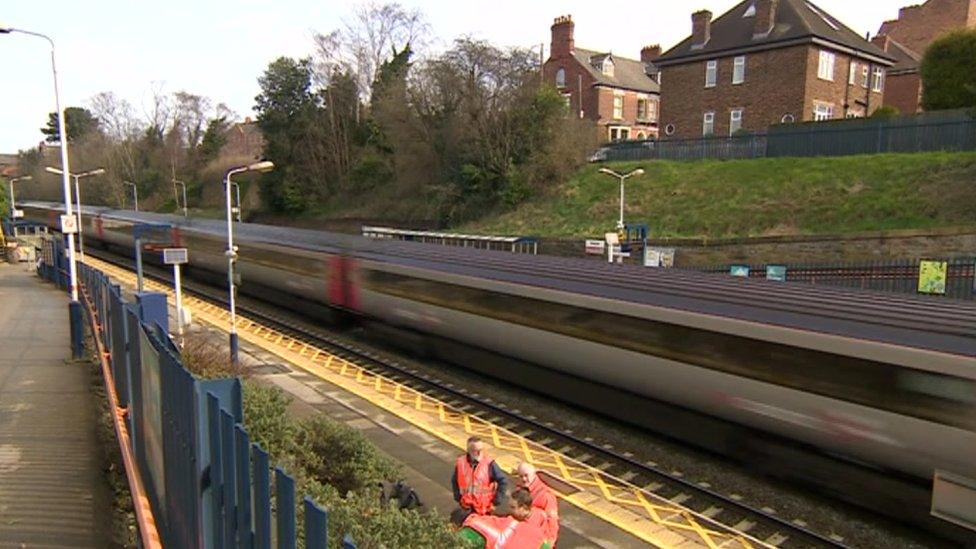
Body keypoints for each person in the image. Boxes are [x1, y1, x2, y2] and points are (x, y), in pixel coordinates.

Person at [459, 488, 549, 549]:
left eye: (513, 507)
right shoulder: (519, 518)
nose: (509, 510)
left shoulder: (539, 519)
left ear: (524, 508)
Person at [452, 436, 509, 525]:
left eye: (481, 449)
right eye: (475, 450)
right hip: (466, 507)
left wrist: (495, 502)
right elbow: (455, 480)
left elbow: (503, 481)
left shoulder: (489, 463)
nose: (479, 453)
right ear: (468, 450)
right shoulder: (460, 462)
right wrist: (458, 497)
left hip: (484, 509)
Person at [517, 462, 559, 545]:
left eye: (526, 475)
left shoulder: (546, 496)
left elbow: (552, 521)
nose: (524, 479)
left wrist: (549, 543)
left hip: (539, 540)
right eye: (521, 476)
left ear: (534, 474)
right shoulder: (520, 488)